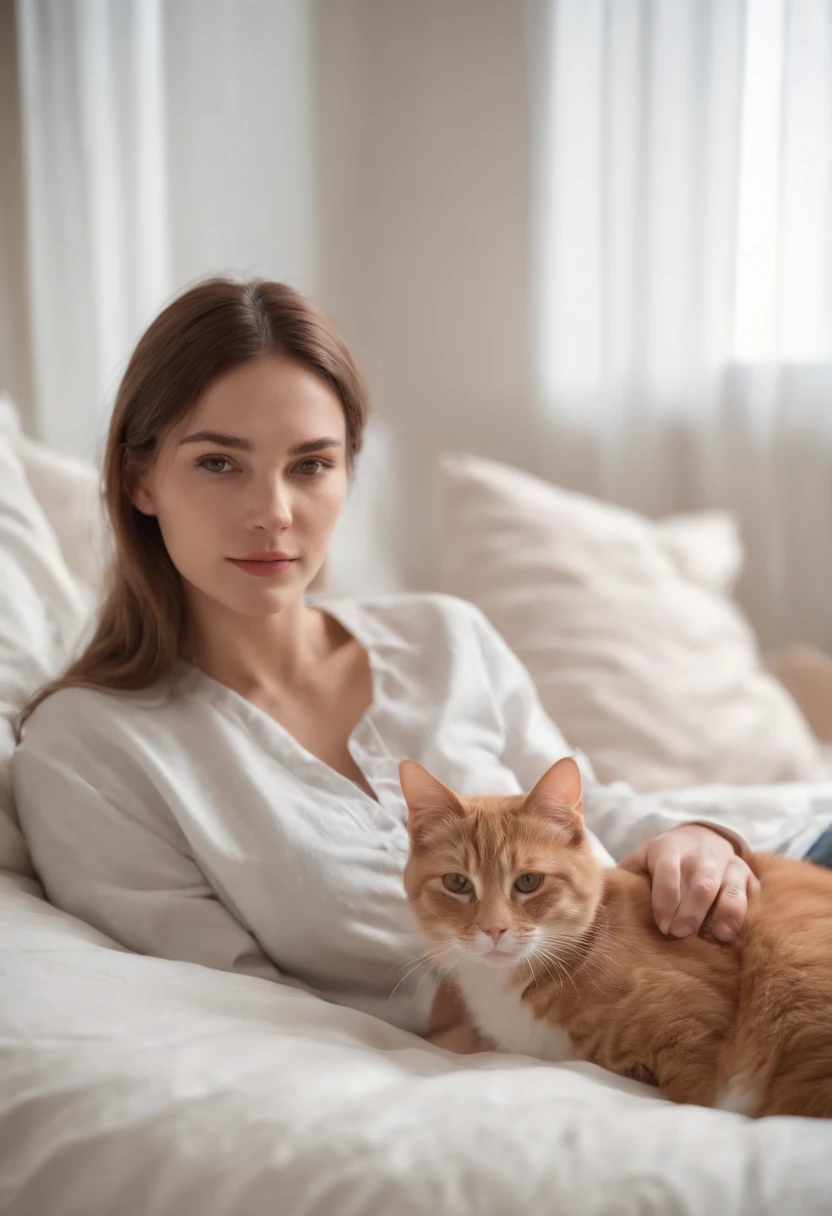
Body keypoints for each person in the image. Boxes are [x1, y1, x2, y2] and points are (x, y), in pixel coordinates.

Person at [12, 278, 832, 1047]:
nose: (274, 513)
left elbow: (587, 818)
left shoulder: (445, 638)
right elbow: (236, 1008)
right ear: (140, 478)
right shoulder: (90, 750)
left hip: (776, 891)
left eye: (311, 465)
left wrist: (695, 840)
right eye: (219, 463)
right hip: (663, 1010)